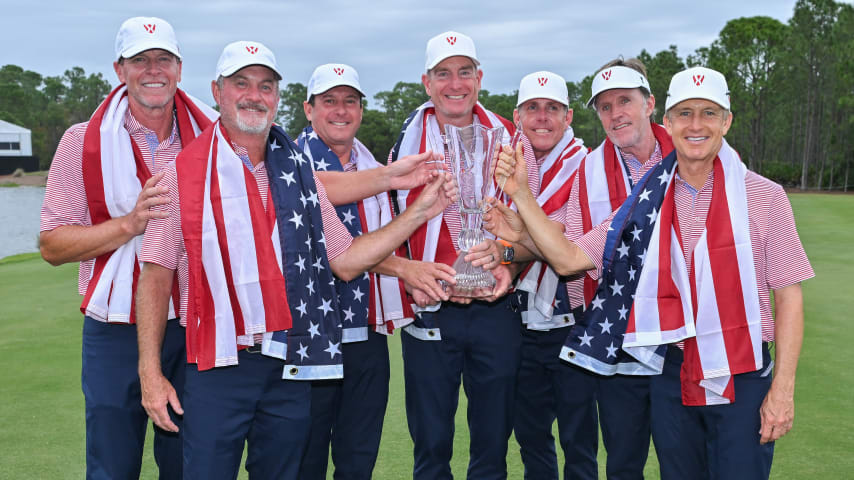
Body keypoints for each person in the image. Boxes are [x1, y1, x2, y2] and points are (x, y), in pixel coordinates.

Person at [134, 41, 455, 479]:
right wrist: (150, 373)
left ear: (278, 97)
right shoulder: (180, 173)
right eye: (241, 83)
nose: (254, 95)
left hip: (290, 361)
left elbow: (345, 260)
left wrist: (419, 212)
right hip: (217, 363)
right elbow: (155, 276)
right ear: (217, 90)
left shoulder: (297, 172)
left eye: (266, 86)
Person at [492, 66, 813, 480]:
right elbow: (571, 259)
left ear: (727, 121)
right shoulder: (648, 199)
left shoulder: (764, 195)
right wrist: (520, 195)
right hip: (672, 371)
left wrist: (783, 391)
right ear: (669, 122)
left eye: (709, 113)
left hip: (743, 371)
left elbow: (788, 296)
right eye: (685, 114)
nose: (696, 125)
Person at [38, 16, 217, 479]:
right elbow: (53, 244)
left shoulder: (216, 136)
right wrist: (130, 224)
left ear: (179, 68)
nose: (153, 69)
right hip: (115, 326)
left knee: (189, 465)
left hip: (194, 321)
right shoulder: (82, 141)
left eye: (163, 59)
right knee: (113, 466)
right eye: (140, 60)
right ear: (120, 69)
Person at [388, 30, 539, 479]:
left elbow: (528, 218)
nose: (455, 83)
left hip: (495, 307)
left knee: (493, 440)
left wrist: (508, 262)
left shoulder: (509, 136)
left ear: (480, 78)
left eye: (465, 72)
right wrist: (410, 276)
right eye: (443, 74)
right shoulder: (405, 145)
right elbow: (389, 228)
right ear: (427, 82)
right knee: (431, 443)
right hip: (432, 307)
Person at [296, 63, 455, 479]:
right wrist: (406, 269)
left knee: (358, 458)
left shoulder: (369, 161)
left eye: (350, 101)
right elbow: (342, 253)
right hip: (309, 335)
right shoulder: (289, 162)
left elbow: (380, 240)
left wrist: (412, 274)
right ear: (308, 109)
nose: (341, 110)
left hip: (365, 332)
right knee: (304, 461)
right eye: (329, 101)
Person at [502, 71, 598, 480]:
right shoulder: (501, 161)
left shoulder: (590, 165)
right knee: (532, 438)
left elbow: (565, 243)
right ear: (517, 115)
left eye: (552, 109)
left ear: (568, 115)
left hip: (574, 322)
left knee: (579, 441)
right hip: (517, 322)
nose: (542, 118)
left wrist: (508, 246)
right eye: (533, 108)